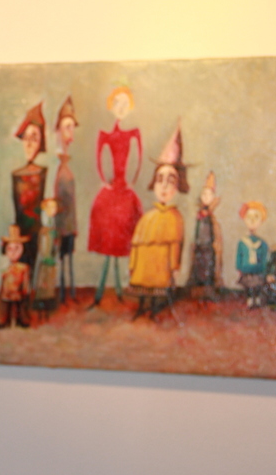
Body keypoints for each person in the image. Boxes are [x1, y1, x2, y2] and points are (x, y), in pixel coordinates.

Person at [88, 86, 143, 307]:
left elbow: (137, 161)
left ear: (130, 107)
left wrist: (130, 183)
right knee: (108, 243)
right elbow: (100, 159)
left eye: (125, 103)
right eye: (117, 103)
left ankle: (120, 288)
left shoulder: (134, 133)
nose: (121, 107)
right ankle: (101, 292)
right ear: (111, 106)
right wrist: (106, 181)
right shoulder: (106, 134)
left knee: (121, 242)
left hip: (125, 194)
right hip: (111, 194)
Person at [128, 123, 189, 320]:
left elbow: (175, 246)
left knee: (157, 289)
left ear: (178, 186)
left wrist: (174, 267)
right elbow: (136, 245)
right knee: (142, 288)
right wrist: (132, 265)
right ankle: (141, 307)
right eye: (160, 179)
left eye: (170, 181)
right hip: (142, 270)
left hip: (161, 272)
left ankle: (154, 309)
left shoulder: (175, 218)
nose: (163, 187)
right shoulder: (147, 218)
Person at [11, 102, 47, 277]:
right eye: (26, 137)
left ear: (41, 142)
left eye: (34, 138)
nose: (29, 143)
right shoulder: (16, 174)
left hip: (38, 230)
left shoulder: (43, 172)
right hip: (20, 231)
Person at [52, 96, 79, 303]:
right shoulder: (56, 160)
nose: (70, 131)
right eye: (67, 127)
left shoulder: (70, 160)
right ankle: (61, 291)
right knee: (60, 256)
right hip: (59, 222)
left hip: (69, 222)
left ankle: (70, 292)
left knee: (69, 256)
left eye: (72, 127)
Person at [186, 171, 224, 302]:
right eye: (204, 194)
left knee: (208, 269)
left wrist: (215, 245)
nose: (206, 197)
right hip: (199, 247)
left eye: (209, 194)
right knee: (198, 269)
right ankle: (198, 293)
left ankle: (208, 292)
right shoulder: (199, 215)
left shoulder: (212, 218)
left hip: (209, 248)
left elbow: (216, 234)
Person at [0, 224, 32, 329]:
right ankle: (5, 320)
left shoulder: (23, 267)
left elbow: (26, 279)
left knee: (20, 303)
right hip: (7, 291)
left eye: (17, 249)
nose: (13, 252)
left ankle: (21, 319)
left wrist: (26, 288)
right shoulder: (5, 267)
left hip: (18, 290)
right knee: (6, 304)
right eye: (10, 249)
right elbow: (1, 278)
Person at [236, 201, 269, 308]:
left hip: (258, 269)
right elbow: (239, 256)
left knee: (258, 285)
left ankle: (257, 299)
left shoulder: (262, 243)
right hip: (246, 269)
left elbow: (264, 258)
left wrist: (264, 269)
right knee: (248, 285)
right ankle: (250, 299)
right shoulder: (242, 242)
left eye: (256, 217)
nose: (252, 220)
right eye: (249, 217)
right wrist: (239, 267)